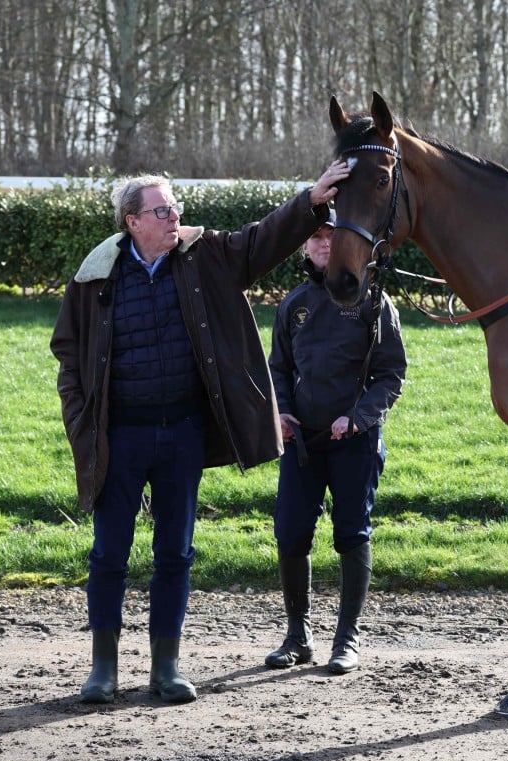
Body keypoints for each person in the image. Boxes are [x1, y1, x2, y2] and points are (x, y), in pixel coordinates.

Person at [50, 160, 353, 704]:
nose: (175, 217)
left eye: (175, 207)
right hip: (118, 437)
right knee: (108, 555)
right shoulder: (95, 276)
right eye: (162, 210)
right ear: (132, 221)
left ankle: (166, 669)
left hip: (182, 434)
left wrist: (312, 201)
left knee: (176, 554)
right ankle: (103, 670)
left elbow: (261, 241)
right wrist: (80, 421)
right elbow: (68, 355)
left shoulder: (203, 256)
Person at [264, 208, 406, 674]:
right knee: (290, 534)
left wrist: (359, 418)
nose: (324, 243)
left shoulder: (373, 303)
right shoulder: (293, 304)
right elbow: (278, 370)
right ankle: (297, 636)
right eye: (316, 237)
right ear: (305, 247)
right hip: (302, 444)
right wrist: (281, 411)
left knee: (351, 534)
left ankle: (347, 639)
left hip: (355, 443)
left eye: (332, 235)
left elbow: (390, 375)